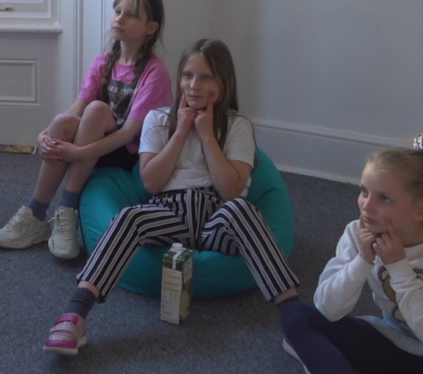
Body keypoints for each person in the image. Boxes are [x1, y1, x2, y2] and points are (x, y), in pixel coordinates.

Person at [43, 38, 299, 355]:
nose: (194, 86)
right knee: (127, 217)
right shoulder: (159, 119)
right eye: (188, 75)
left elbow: (231, 190)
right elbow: (150, 183)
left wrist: (206, 134)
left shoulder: (236, 125)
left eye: (206, 77)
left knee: (241, 211)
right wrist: (180, 132)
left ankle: (295, 320)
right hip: (168, 211)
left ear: (226, 83)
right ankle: (75, 315)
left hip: (216, 215)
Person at [279, 131, 423, 374]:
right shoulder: (356, 232)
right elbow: (328, 309)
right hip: (393, 338)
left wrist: (398, 265)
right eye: (364, 191)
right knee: (296, 315)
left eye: (384, 198)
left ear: (422, 210)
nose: (366, 206)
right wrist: (362, 260)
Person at [0, 0, 170, 259]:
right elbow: (77, 109)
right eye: (117, 11)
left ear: (150, 28)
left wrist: (78, 152)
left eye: (131, 15)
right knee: (64, 122)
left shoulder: (155, 72)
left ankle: (68, 209)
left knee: (98, 110)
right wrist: (44, 135)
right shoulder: (103, 62)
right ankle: (36, 214)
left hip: (127, 154)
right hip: (95, 141)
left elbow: (130, 133)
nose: (119, 19)